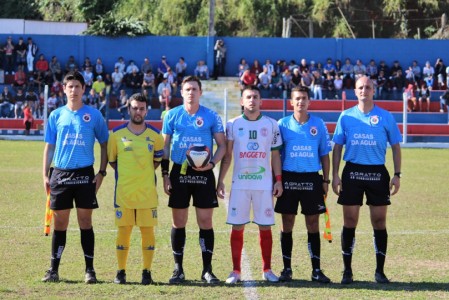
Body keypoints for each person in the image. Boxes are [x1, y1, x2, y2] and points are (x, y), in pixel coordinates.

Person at [332, 76, 402, 285]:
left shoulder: (386, 117)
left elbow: (396, 147)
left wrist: (397, 174)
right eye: (361, 87)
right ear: (355, 91)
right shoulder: (345, 117)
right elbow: (337, 147)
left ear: (374, 90)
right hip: (352, 172)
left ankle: (379, 272)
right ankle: (347, 272)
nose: (364, 90)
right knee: (350, 221)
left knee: (379, 221)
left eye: (368, 87)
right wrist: (335, 175)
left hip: (377, 173)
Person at [41, 71, 109, 283]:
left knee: (85, 221)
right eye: (70, 86)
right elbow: (49, 146)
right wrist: (45, 174)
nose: (74, 90)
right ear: (64, 89)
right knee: (60, 223)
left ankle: (90, 270)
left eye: (77, 86)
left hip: (84, 174)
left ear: (84, 89)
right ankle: (53, 270)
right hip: (60, 173)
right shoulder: (56, 115)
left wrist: (102, 172)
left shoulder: (94, 115)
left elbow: (105, 144)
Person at [161, 75, 226, 284]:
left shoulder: (211, 116)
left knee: (205, 222)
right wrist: (164, 175)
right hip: (179, 173)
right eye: (187, 89)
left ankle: (207, 270)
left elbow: (222, 145)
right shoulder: (171, 115)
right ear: (181, 92)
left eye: (194, 89)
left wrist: (212, 164)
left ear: (200, 92)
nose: (191, 92)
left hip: (204, 173)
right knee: (179, 222)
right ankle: (178, 269)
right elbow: (164, 148)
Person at [216, 85, 283, 284]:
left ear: (261, 101)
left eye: (255, 97)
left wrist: (278, 180)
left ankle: (267, 269)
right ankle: (236, 271)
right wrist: (220, 180)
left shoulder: (272, 125)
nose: (252, 100)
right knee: (237, 226)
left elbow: (275, 156)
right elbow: (227, 157)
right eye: (248, 97)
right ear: (242, 102)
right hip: (240, 185)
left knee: (265, 227)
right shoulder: (233, 124)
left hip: (264, 185)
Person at [274, 86, 332, 284]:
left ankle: (316, 270)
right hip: (289, 178)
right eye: (297, 99)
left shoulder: (318, 124)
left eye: (304, 98)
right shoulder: (282, 124)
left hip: (311, 179)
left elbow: (325, 154)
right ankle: (287, 269)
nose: (300, 102)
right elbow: (276, 155)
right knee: (287, 224)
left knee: (313, 224)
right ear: (291, 102)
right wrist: (277, 180)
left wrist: (325, 180)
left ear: (309, 101)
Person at [108, 93, 164, 285]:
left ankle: (146, 272)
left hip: (147, 194)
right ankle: (121, 271)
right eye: (134, 108)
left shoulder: (156, 136)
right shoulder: (116, 135)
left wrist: (143, 174)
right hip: (124, 194)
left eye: (141, 108)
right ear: (128, 109)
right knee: (123, 232)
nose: (138, 112)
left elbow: (157, 161)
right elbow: (113, 161)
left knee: (148, 232)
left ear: (146, 110)